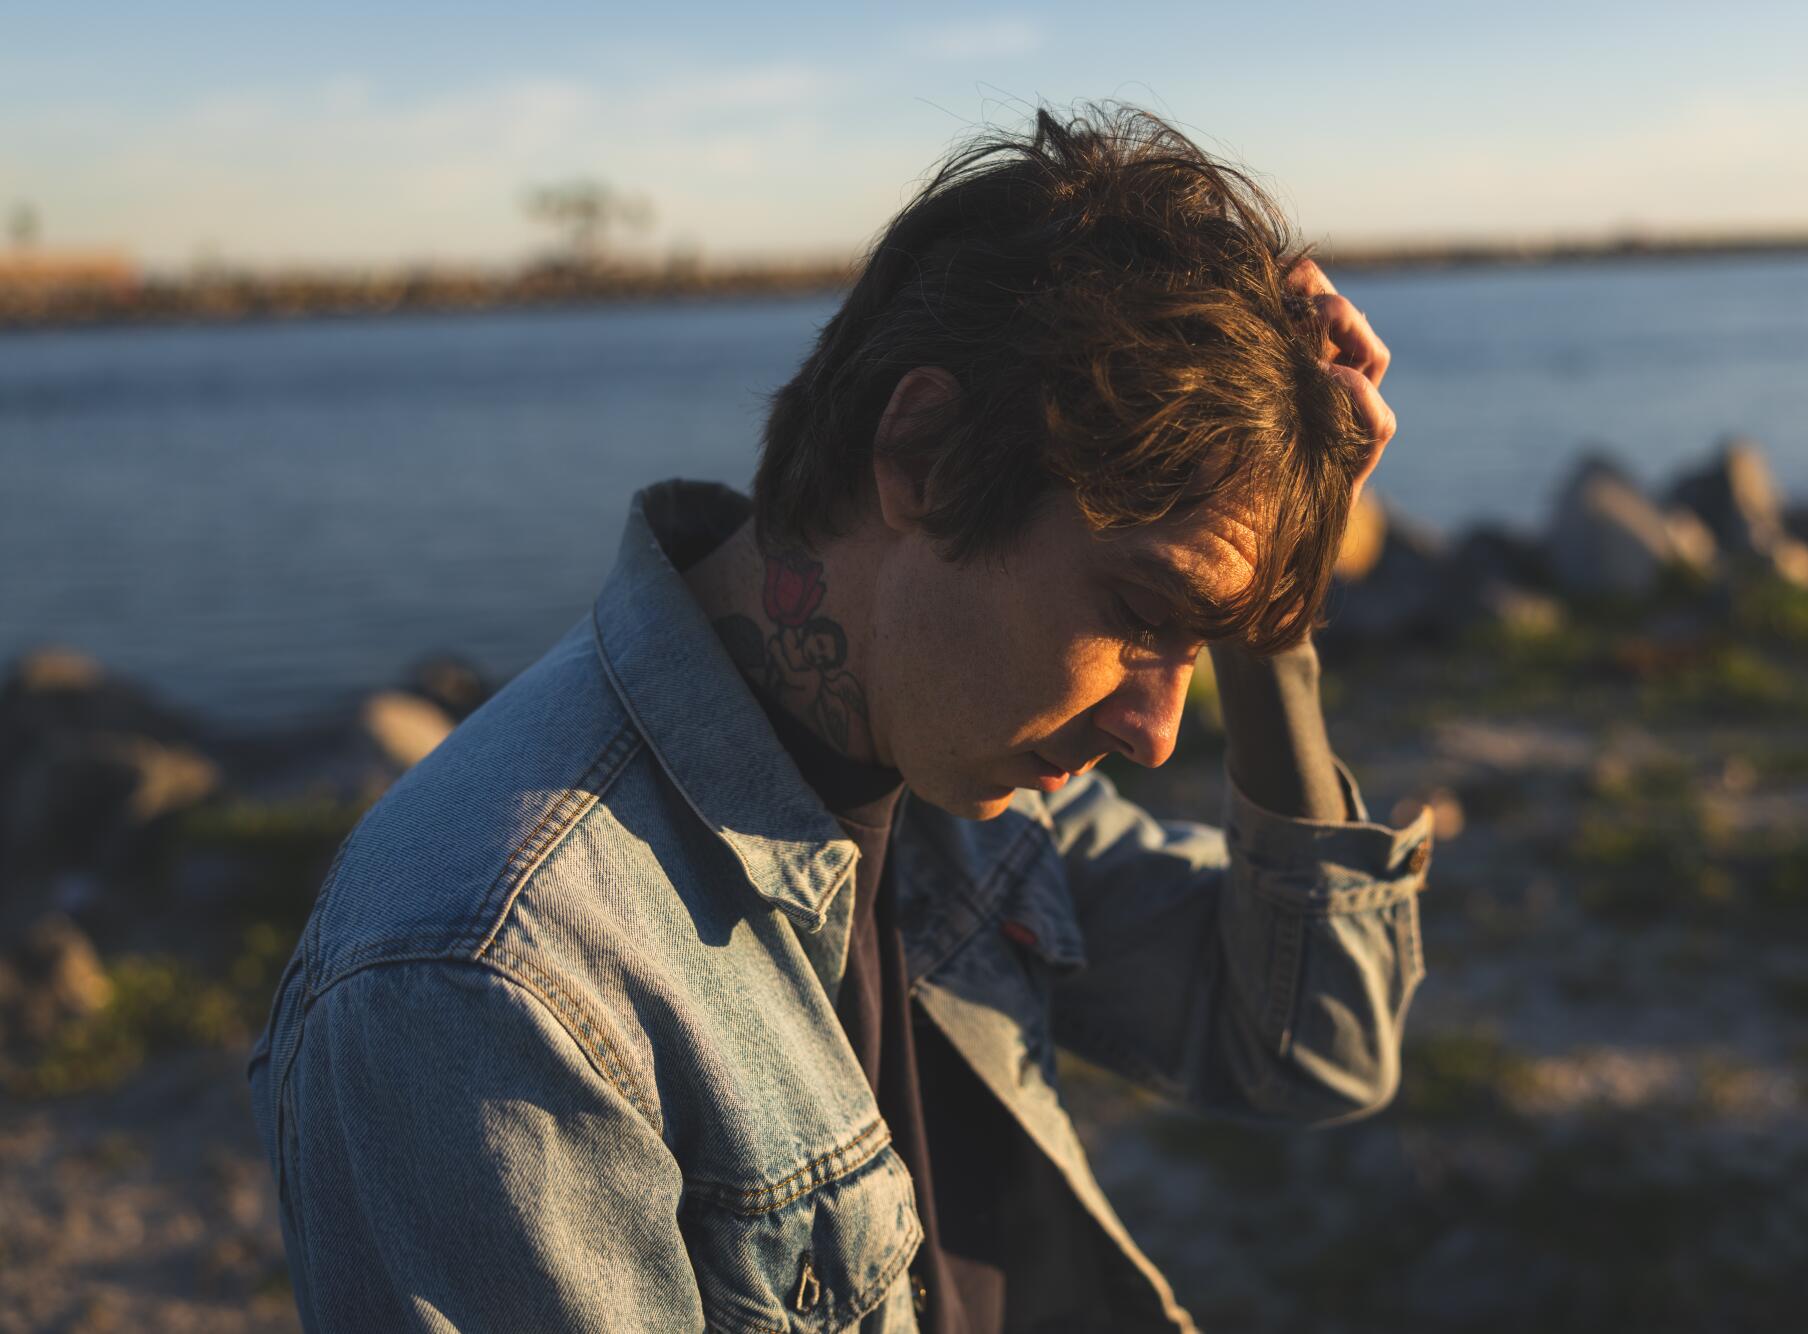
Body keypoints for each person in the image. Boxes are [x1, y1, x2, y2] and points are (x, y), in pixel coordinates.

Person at [246, 103, 1434, 1332]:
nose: (1155, 733)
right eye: (1139, 610)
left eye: (1199, 646)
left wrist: (1267, 600)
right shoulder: (493, 981)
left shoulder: (943, 775)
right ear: (922, 451)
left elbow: (1307, 1042)